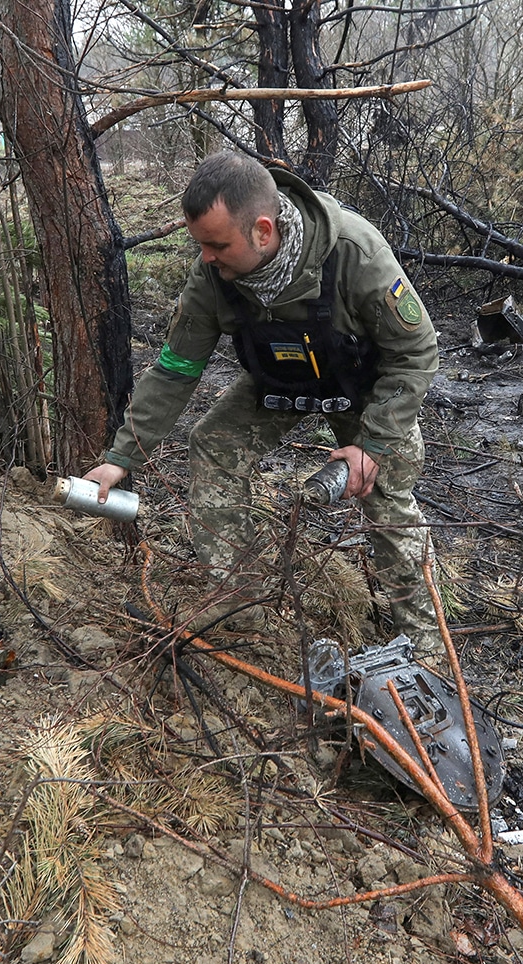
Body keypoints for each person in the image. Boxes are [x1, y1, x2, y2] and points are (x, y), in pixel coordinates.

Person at [82, 151, 445, 656]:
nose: (206, 257)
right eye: (200, 245)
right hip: (281, 380)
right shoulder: (211, 275)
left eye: (216, 244)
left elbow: (416, 352)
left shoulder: (353, 253)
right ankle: (240, 600)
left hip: (366, 386)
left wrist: (375, 445)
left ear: (263, 231)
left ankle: (428, 645)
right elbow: (175, 369)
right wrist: (121, 459)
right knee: (211, 444)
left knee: (384, 498)